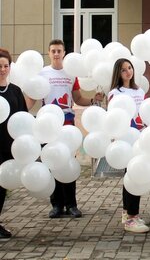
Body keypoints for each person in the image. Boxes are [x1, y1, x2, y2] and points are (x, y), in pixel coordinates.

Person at [26, 39, 103, 219]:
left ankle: (72, 205)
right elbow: (32, 99)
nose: (56, 54)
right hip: (47, 124)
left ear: (64, 53)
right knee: (52, 162)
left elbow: (78, 99)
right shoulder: (42, 74)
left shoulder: (71, 74)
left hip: (67, 124)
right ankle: (56, 205)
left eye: (59, 51)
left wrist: (94, 100)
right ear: (48, 53)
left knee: (68, 163)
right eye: (53, 51)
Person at [108, 58, 149, 233]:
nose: (128, 72)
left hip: (140, 138)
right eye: (124, 69)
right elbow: (112, 117)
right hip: (125, 139)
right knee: (133, 175)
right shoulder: (115, 93)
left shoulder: (140, 91)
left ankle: (127, 212)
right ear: (118, 73)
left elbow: (144, 113)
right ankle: (132, 218)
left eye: (130, 68)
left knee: (132, 175)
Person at [0, 48, 28, 238]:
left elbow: (23, 116)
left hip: (9, 146)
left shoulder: (15, 90)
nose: (3, 69)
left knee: (2, 185)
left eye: (6, 66)